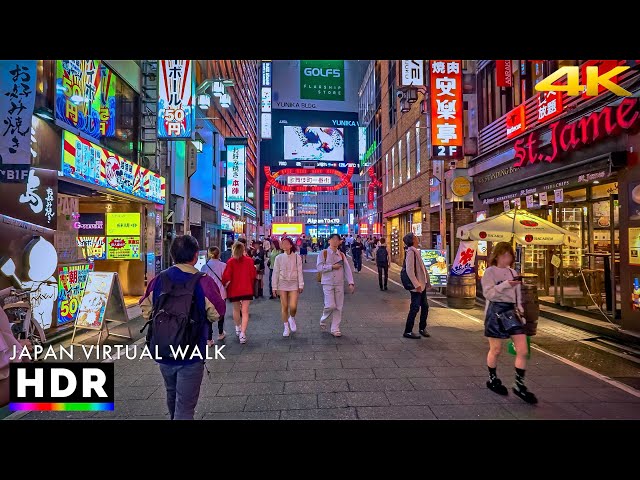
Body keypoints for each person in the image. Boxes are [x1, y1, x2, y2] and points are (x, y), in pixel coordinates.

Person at [140, 235, 226, 420]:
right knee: (185, 407)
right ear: (195, 256)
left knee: (172, 394)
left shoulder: (159, 280)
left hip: (163, 349)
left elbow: (146, 309)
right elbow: (217, 312)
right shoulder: (203, 281)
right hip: (192, 351)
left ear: (172, 255)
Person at [481, 241, 537, 404]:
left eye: (509, 255)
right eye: (504, 255)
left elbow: (517, 295)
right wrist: (505, 285)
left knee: (523, 349)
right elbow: (489, 294)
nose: (507, 258)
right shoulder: (489, 272)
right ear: (497, 255)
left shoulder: (513, 272)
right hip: (495, 311)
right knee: (496, 349)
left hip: (512, 312)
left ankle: (519, 384)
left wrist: (520, 311)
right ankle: (493, 378)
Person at [317, 233, 355, 337]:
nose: (334, 241)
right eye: (332, 239)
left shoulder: (342, 255)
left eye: (337, 240)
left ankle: (335, 328)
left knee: (338, 307)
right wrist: (332, 267)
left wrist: (351, 282)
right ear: (329, 241)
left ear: (339, 242)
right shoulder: (323, 253)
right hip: (327, 282)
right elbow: (319, 268)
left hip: (339, 283)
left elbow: (347, 269)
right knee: (330, 305)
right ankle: (323, 319)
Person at [221, 241, 257, 345]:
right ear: (243, 250)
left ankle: (237, 327)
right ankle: (243, 334)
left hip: (234, 289)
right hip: (246, 288)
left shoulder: (230, 261)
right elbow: (253, 275)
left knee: (236, 309)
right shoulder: (249, 261)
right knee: (245, 311)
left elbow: (226, 276)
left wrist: (224, 284)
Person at [272, 236, 304, 337]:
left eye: (286, 243)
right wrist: (274, 287)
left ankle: (292, 317)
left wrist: (301, 284)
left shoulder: (297, 257)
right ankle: (286, 327)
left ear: (290, 245)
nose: (284, 245)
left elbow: (300, 271)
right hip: (282, 283)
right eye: (282, 243)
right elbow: (275, 272)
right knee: (284, 306)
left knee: (293, 306)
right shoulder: (279, 257)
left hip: (294, 283)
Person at [403, 232, 431, 339]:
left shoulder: (415, 251)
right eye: (415, 237)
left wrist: (426, 281)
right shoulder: (411, 252)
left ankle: (422, 328)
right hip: (417, 286)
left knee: (425, 306)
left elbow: (422, 268)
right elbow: (410, 271)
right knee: (415, 308)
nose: (417, 238)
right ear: (412, 240)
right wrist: (416, 285)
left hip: (421, 285)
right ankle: (408, 331)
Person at [200, 247, 227, 342]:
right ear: (218, 254)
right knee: (221, 312)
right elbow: (226, 279)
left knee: (208, 315)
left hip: (208, 295)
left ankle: (209, 339)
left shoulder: (204, 267)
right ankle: (220, 333)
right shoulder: (223, 265)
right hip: (221, 293)